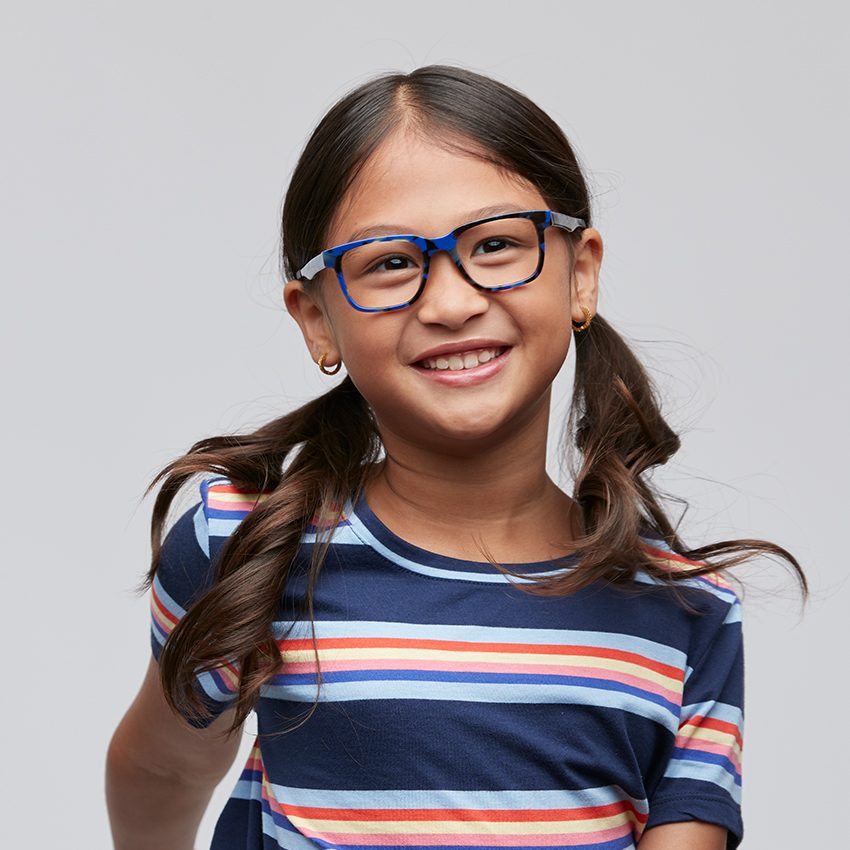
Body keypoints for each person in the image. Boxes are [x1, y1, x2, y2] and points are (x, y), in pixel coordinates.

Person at [105, 65, 807, 850]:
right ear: (317, 321)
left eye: (497, 244)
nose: (450, 303)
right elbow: (162, 771)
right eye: (390, 262)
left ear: (580, 274)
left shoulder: (687, 612)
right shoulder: (243, 545)